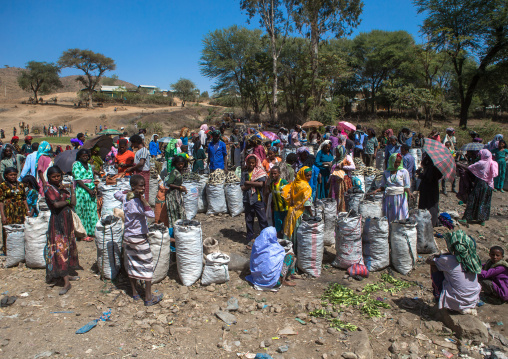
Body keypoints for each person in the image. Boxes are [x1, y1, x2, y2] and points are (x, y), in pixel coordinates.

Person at [114, 175, 162, 306]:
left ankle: (135, 293)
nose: (143, 188)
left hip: (128, 237)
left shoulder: (125, 198)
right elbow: (151, 215)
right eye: (140, 186)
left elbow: (116, 193)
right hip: (139, 238)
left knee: (132, 264)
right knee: (147, 266)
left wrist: (128, 192)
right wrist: (143, 200)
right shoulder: (137, 203)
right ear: (134, 186)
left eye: (144, 185)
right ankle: (148, 297)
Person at [43, 166, 79, 295]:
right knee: (60, 249)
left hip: (67, 220)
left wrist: (72, 190)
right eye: (54, 177)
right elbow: (56, 204)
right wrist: (67, 201)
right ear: (49, 178)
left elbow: (73, 203)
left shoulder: (64, 188)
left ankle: (67, 274)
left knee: (68, 246)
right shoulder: (48, 189)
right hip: (57, 221)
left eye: (58, 176)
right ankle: (65, 282)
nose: (57, 178)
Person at [426, 230, 481, 315]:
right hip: (472, 300)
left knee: (435, 265)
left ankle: (438, 295)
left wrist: (442, 254)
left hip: (458, 301)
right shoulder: (474, 259)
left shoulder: (449, 260)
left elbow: (429, 260)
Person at [368, 153, 411, 223]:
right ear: (391, 162)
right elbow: (383, 186)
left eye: (399, 162)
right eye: (395, 162)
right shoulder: (386, 172)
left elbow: (406, 186)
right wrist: (376, 190)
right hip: (389, 198)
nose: (397, 164)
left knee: (400, 216)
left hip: (399, 198)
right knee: (390, 217)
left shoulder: (404, 172)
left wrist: (409, 193)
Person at [459, 149, 498, 226]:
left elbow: (470, 168)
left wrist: (459, 165)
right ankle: (482, 220)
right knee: (484, 202)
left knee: (472, 199)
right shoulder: (493, 163)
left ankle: (466, 218)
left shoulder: (481, 163)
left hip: (480, 184)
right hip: (489, 185)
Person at [282, 167, 313, 252]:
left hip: (291, 212)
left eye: (310, 175)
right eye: (307, 175)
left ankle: (289, 252)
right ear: (302, 175)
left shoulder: (295, 183)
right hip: (301, 214)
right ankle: (297, 252)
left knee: (290, 233)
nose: (309, 177)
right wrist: (312, 215)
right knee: (299, 234)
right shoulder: (305, 186)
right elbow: (307, 204)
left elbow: (285, 191)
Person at [241, 154, 269, 247]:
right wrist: (252, 184)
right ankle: (250, 238)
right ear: (247, 163)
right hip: (247, 199)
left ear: (256, 163)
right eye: (249, 163)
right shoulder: (244, 172)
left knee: (262, 219)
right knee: (249, 219)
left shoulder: (259, 171)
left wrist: (249, 183)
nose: (251, 165)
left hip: (258, 198)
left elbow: (261, 184)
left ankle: (265, 238)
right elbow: (242, 187)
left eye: (253, 163)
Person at [0, 167, 28, 252]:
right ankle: (8, 249)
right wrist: (3, 215)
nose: (13, 176)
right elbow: (1, 201)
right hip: (8, 210)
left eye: (15, 175)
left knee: (21, 228)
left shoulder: (21, 185)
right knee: (8, 229)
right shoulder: (3, 186)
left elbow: (24, 199)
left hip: (20, 210)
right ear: (6, 176)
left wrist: (28, 210)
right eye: (11, 175)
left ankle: (19, 249)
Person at [72, 149, 98, 240]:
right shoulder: (76, 165)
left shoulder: (89, 166)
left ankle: (91, 231)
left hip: (90, 190)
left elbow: (91, 178)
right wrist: (88, 190)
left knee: (91, 210)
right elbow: (78, 180)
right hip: (82, 191)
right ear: (79, 157)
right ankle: (82, 234)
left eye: (87, 156)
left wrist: (93, 189)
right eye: (83, 156)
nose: (85, 157)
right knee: (82, 212)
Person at [165, 156, 188, 238]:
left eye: (182, 164)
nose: (181, 165)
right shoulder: (174, 172)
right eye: (179, 164)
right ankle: (173, 234)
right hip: (172, 196)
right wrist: (179, 187)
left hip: (177, 194)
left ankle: (180, 232)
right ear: (175, 164)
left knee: (180, 212)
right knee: (174, 214)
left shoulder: (180, 171)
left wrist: (182, 188)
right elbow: (168, 184)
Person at [418, 154, 443, 227]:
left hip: (428, 188)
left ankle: (429, 222)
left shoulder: (431, 166)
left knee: (428, 205)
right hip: (433, 188)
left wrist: (420, 175)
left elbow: (428, 178)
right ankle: (432, 222)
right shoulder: (437, 166)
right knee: (432, 204)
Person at [329, 145, 355, 212]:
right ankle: (335, 211)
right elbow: (332, 171)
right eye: (336, 152)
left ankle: (342, 211)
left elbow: (353, 167)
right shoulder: (335, 160)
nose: (337, 154)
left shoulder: (346, 158)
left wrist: (343, 166)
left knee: (343, 196)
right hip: (334, 181)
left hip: (343, 181)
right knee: (335, 196)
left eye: (338, 152)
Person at [125, 134, 151, 200]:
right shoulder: (138, 151)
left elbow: (141, 163)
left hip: (143, 173)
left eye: (133, 143)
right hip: (139, 172)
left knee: (142, 190)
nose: (132, 145)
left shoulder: (143, 150)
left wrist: (132, 168)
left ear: (136, 142)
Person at [268, 166, 288, 237]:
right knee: (278, 227)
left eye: (275, 173)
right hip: (277, 210)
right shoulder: (271, 184)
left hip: (285, 209)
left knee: (286, 227)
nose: (273, 175)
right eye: (272, 173)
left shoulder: (283, 182)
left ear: (279, 173)